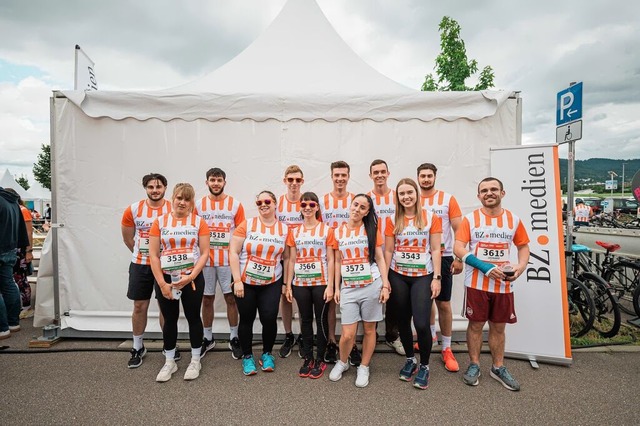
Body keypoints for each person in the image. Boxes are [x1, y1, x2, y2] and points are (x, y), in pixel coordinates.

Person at [454, 177, 530, 391]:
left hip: (504, 285)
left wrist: (520, 266)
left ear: (502, 193)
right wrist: (484, 266)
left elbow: (523, 246)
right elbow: (459, 248)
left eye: (494, 189)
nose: (489, 193)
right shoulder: (470, 219)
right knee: (476, 325)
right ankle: (474, 365)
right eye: (484, 190)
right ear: (478, 196)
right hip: (477, 284)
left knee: (498, 327)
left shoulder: (513, 220)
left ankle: (498, 367)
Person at [384, 178, 442, 389]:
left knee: (421, 323)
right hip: (398, 275)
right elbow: (388, 251)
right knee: (402, 321)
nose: (406, 197)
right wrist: (385, 280)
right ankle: (410, 359)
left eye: (410, 192)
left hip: (423, 276)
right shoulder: (393, 219)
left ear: (416, 194)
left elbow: (436, 249)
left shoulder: (430, 217)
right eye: (402, 194)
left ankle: (425, 365)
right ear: (397, 197)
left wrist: (437, 278)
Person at [149, 183, 209, 382]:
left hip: (191, 278)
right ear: (173, 198)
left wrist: (191, 276)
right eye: (179, 198)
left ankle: (195, 359)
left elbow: (205, 253)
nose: (182, 202)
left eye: (187, 199)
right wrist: (162, 284)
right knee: (169, 318)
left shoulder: (198, 222)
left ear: (192, 202)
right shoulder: (160, 222)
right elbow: (154, 255)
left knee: (193, 317)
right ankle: (169, 361)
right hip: (167, 278)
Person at [329, 194, 390, 388]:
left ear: (367, 212)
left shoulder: (371, 230)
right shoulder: (337, 232)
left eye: (362, 207)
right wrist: (336, 287)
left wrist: (386, 285)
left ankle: (364, 366)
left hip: (372, 285)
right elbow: (338, 261)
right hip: (349, 288)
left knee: (370, 329)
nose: (357, 209)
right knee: (348, 333)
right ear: (350, 205)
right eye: (356, 204)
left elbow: (380, 258)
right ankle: (343, 361)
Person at [229, 191, 290, 376]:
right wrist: (237, 280)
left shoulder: (284, 229)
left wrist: (286, 283)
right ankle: (247, 356)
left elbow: (286, 258)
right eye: (259, 202)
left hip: (271, 282)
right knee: (246, 318)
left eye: (267, 201)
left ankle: (267, 353)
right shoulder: (247, 225)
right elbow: (233, 252)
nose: (263, 204)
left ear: (275, 204)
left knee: (269, 318)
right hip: (245, 281)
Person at [121, 173, 173, 368]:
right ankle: (138, 346)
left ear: (165, 188)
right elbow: (128, 239)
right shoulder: (133, 209)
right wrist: (145, 255)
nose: (155, 190)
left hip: (166, 265)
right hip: (140, 264)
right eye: (151, 187)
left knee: (165, 307)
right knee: (139, 306)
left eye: (159, 187)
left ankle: (168, 346)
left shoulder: (172, 208)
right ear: (145, 188)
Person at [417, 162, 463, 372]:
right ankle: (431, 335)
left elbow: (459, 229)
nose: (426, 179)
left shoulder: (447, 199)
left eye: (429, 176)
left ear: (435, 177)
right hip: (418, 257)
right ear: (417, 178)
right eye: (422, 176)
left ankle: (446, 347)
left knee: (443, 303)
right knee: (426, 301)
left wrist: (459, 257)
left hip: (443, 256)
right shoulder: (412, 198)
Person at [195, 168, 244, 359]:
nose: (216, 183)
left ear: (225, 182)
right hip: (205, 261)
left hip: (227, 261)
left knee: (230, 298)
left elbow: (240, 233)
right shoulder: (198, 205)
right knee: (207, 299)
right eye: (212, 180)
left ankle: (234, 337)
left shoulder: (235, 204)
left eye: (219, 180)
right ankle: (208, 337)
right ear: (206, 182)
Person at [285, 192, 335, 378]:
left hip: (321, 282)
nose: (307, 208)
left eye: (311, 204)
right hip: (300, 283)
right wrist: (288, 285)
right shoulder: (295, 232)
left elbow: (330, 259)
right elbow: (290, 260)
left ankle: (320, 358)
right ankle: (308, 357)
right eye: (304, 205)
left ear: (317, 208)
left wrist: (330, 285)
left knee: (321, 320)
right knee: (305, 320)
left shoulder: (326, 230)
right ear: (300, 208)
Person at [320, 161, 356, 365]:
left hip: (352, 259)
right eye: (337, 175)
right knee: (331, 301)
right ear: (331, 176)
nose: (340, 178)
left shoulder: (355, 200)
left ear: (348, 176)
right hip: (330, 259)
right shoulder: (323, 201)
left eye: (343, 175)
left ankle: (352, 345)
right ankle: (332, 342)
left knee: (352, 300)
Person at [367, 159, 402, 355]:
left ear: (388, 174)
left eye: (382, 172)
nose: (379, 175)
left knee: (394, 296)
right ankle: (367, 334)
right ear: (370, 175)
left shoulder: (398, 196)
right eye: (375, 172)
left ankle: (392, 335)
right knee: (370, 291)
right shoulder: (366, 197)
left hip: (395, 253)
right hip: (371, 254)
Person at [277, 165, 305, 358]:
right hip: (281, 258)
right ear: (285, 181)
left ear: (302, 182)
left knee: (302, 299)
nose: (294, 183)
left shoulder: (308, 202)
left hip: (304, 258)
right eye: (290, 180)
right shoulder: (277, 203)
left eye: (297, 180)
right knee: (285, 297)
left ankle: (304, 335)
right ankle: (288, 334)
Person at [1, 186, 28, 340]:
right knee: (9, 284)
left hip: (2, 248)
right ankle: (12, 323)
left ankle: (2, 327)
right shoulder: (12, 202)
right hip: (11, 248)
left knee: (6, 285)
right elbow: (22, 229)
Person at [3, 189, 34, 316]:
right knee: (14, 279)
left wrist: (28, 250)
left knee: (21, 279)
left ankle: (26, 307)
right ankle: (20, 307)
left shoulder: (22, 210)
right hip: (13, 248)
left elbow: (29, 232)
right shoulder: (15, 208)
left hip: (20, 249)